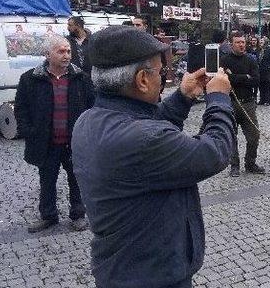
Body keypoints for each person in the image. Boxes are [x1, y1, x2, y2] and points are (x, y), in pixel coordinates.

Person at [72, 26, 235, 288]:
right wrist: (218, 98)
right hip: (154, 275)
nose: (163, 78)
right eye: (160, 72)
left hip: (123, 268)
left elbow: (146, 125)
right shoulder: (142, 138)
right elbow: (215, 152)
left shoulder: (89, 120)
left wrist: (182, 97)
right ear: (142, 80)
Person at [14, 35, 94, 233]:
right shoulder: (30, 79)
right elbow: (21, 108)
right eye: (61, 51)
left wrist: (88, 131)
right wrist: (29, 132)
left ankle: (78, 214)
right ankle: (48, 215)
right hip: (46, 141)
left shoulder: (80, 77)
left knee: (76, 179)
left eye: (68, 51)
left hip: (74, 141)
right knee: (47, 180)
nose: (67, 55)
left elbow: (93, 105)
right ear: (47, 54)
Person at [220, 32, 264, 177]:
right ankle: (234, 165)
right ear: (231, 44)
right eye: (238, 42)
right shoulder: (224, 60)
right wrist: (245, 77)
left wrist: (235, 78)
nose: (241, 45)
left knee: (254, 136)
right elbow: (224, 80)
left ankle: (250, 163)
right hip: (230, 102)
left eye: (243, 42)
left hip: (248, 103)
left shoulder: (251, 60)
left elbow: (256, 80)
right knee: (232, 135)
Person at [258, 38, 270, 106]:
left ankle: (267, 100)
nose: (260, 43)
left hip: (267, 71)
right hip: (260, 71)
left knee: (266, 86)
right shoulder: (259, 50)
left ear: (265, 42)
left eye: (262, 42)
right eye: (260, 42)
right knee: (261, 86)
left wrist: (269, 67)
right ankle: (261, 100)